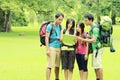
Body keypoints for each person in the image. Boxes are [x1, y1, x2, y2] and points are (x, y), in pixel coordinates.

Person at [75, 13, 104, 80]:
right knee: (95, 66)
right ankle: (97, 78)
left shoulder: (95, 29)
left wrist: (82, 39)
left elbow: (94, 40)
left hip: (98, 49)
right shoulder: (92, 28)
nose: (85, 22)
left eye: (86, 20)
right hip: (95, 49)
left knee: (98, 66)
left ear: (90, 20)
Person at [45, 12, 64, 80]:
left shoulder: (60, 27)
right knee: (50, 65)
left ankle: (57, 78)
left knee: (57, 65)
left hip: (58, 47)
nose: (60, 21)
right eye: (59, 19)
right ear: (55, 18)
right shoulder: (50, 26)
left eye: (61, 20)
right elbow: (46, 38)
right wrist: (47, 49)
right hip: (51, 47)